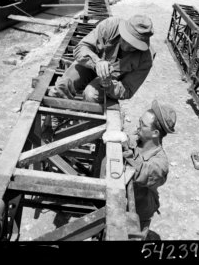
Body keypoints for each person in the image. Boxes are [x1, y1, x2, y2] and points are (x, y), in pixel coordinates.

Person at [103, 100, 177, 239]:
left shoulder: (161, 163)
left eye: (143, 125)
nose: (138, 127)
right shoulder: (138, 139)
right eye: (139, 121)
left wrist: (127, 149)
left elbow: (143, 172)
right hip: (123, 201)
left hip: (139, 209)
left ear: (155, 133)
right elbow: (128, 140)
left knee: (132, 235)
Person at [47, 14, 156, 103]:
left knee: (91, 95)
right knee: (63, 84)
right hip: (89, 65)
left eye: (133, 46)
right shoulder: (110, 25)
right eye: (125, 40)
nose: (127, 47)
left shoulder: (146, 59)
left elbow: (128, 90)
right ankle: (55, 116)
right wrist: (97, 62)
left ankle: (86, 123)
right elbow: (80, 48)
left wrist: (109, 86)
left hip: (110, 81)